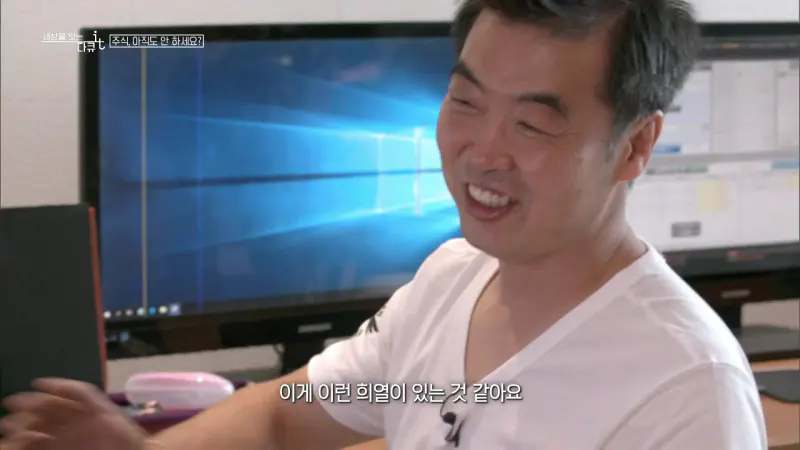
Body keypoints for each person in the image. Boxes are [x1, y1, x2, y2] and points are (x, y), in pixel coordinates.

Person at [0, 0, 767, 449]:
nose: (482, 152)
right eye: (465, 102)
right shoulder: (450, 281)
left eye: (533, 124)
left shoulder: (688, 389)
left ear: (635, 145)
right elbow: (284, 411)